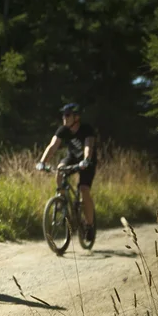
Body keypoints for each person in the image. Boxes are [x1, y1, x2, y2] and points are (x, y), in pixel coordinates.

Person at [36, 102, 97, 243]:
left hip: (87, 161)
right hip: (72, 158)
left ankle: (89, 225)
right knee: (59, 169)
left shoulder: (86, 129)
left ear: (76, 117)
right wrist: (42, 162)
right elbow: (52, 146)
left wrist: (86, 160)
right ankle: (62, 200)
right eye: (63, 115)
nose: (64, 117)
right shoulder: (63, 130)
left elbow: (88, 146)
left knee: (83, 189)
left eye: (67, 115)